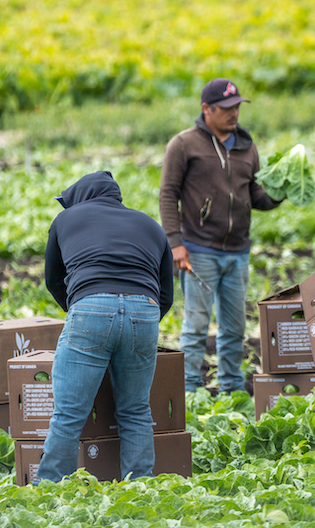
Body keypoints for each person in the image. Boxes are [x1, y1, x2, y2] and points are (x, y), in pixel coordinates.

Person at [37, 170, 174, 482]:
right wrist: (139, 326)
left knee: (70, 413)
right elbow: (166, 293)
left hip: (90, 305)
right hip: (145, 311)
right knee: (136, 410)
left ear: (79, 197)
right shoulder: (150, 225)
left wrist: (81, 312)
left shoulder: (66, 220)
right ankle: (140, 483)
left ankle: (48, 486)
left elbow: (53, 279)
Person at [159, 78, 282, 394]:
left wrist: (280, 193)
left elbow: (255, 194)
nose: (234, 113)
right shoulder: (184, 145)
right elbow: (168, 194)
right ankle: (188, 387)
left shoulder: (246, 146)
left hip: (237, 252)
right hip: (198, 249)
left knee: (234, 326)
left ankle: (230, 386)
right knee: (196, 324)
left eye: (237, 106)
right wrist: (175, 242)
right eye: (226, 108)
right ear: (206, 109)